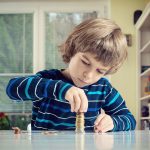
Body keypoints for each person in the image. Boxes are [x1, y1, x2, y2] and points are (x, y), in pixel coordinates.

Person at [6, 18, 136, 132]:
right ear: (72, 49)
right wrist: (59, 89)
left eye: (100, 71)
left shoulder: (103, 89)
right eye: (85, 62)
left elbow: (129, 119)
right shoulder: (48, 79)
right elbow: (12, 89)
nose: (88, 75)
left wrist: (113, 122)